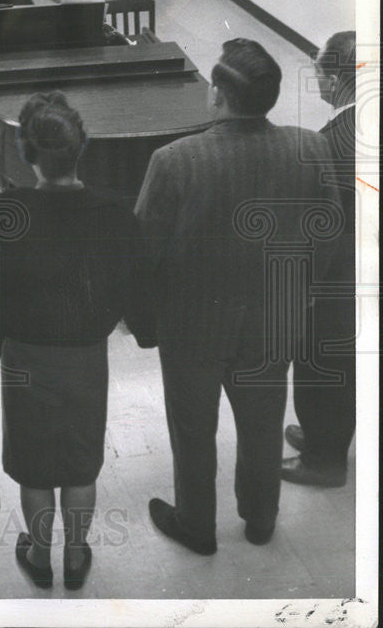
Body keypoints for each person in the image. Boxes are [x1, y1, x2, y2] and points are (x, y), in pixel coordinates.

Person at [135, 38, 342, 555]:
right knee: (263, 420)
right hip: (274, 320)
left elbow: (143, 253)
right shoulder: (310, 147)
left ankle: (196, 524)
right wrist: (303, 295)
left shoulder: (174, 160)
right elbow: (329, 231)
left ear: (218, 95)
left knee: (192, 427)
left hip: (192, 326)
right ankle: (260, 518)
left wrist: (145, 325)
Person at [0, 92, 154, 591]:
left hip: (25, 356)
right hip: (86, 356)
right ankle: (76, 557)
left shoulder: (4, 211)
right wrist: (140, 327)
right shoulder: (114, 214)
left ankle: (39, 553)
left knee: (35, 465)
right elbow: (134, 285)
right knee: (80, 461)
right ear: (83, 149)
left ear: (28, 154)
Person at [283, 31, 357, 487]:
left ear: (332, 80)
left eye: (318, 76)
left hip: (337, 279)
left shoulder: (332, 142)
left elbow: (320, 227)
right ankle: (320, 434)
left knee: (320, 364)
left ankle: (324, 458)